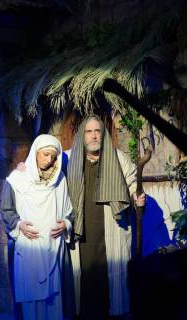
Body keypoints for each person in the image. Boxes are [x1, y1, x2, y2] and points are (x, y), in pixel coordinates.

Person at [66, 115, 145, 319]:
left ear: (103, 134)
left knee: (111, 281)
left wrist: (137, 197)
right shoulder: (69, 158)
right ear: (82, 136)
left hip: (111, 228)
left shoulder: (118, 158)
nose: (93, 136)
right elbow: (41, 165)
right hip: (81, 231)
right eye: (89, 131)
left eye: (97, 131)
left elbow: (131, 185)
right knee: (84, 279)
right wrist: (23, 170)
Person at [0, 134, 74, 320]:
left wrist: (65, 224)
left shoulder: (60, 180)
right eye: (45, 154)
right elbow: (6, 210)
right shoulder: (18, 179)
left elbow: (69, 211)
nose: (49, 160)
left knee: (54, 301)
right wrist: (18, 225)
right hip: (28, 249)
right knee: (30, 303)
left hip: (53, 248)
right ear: (35, 153)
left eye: (53, 156)